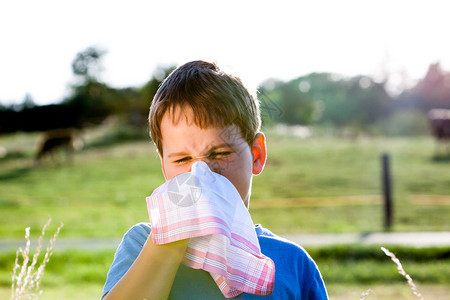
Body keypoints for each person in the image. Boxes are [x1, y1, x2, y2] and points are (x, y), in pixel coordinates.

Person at [102, 60, 328, 299]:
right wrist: (168, 244)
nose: (202, 175)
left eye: (220, 154)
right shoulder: (140, 245)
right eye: (182, 160)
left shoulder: (292, 263)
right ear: (164, 166)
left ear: (256, 155)